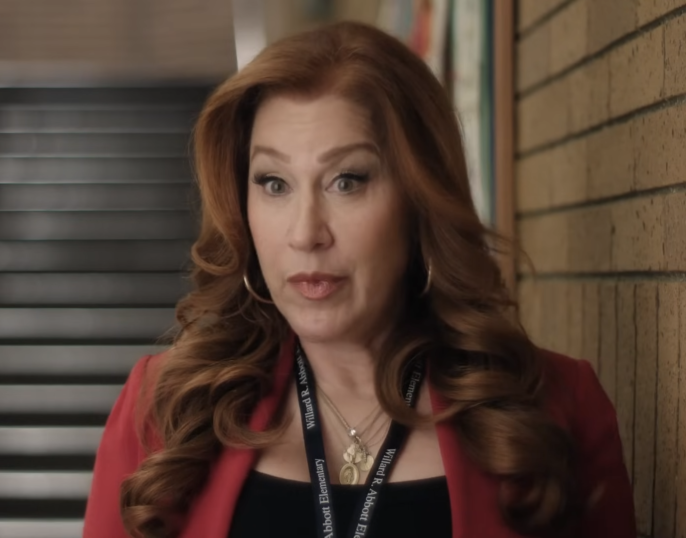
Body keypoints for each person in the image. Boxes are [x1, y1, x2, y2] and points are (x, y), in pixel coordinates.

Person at [83, 21, 635, 538]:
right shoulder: (164, 414)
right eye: (274, 183)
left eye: (346, 180)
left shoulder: (556, 408)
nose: (305, 233)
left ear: (420, 199)